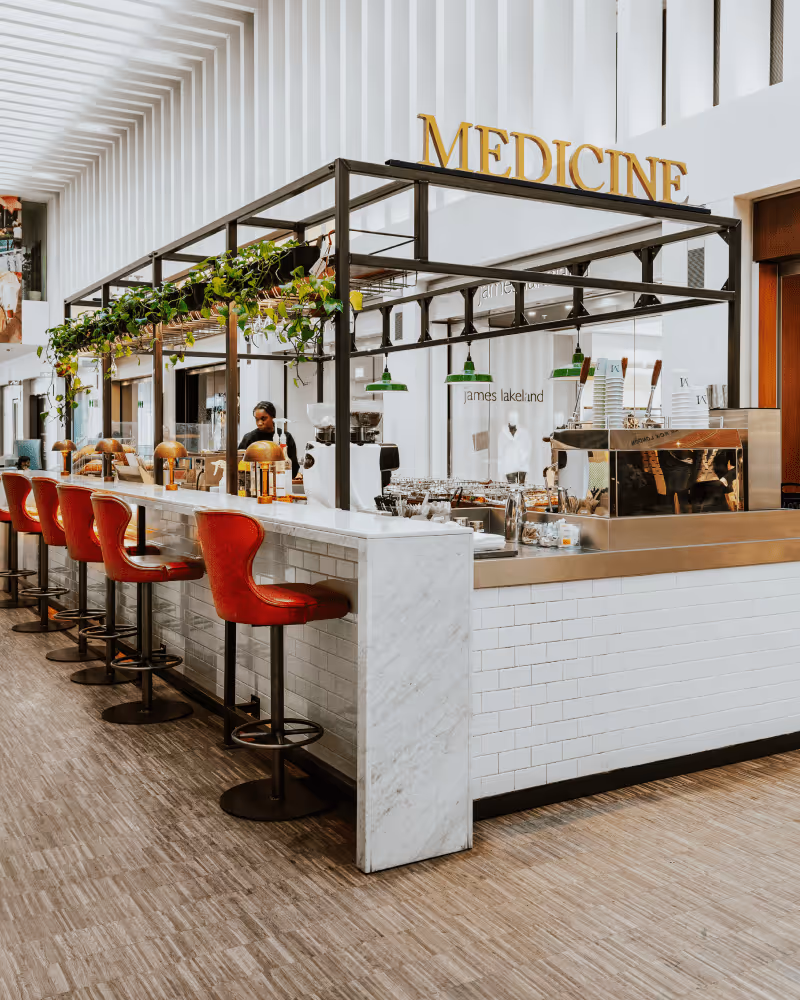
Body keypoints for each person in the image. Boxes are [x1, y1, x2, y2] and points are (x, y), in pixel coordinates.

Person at [238, 400, 300, 478]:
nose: (259, 423)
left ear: (273, 417)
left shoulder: (286, 437)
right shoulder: (249, 438)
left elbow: (293, 467)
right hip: (255, 484)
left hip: (280, 482)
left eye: (263, 419)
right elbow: (239, 465)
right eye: (257, 419)